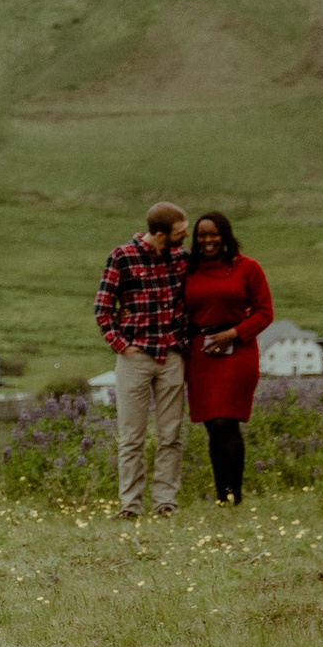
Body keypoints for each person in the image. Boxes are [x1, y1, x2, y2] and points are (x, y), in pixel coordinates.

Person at [93, 203, 191, 519]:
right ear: (160, 233)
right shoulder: (122, 256)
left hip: (171, 355)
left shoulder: (182, 259)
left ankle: (166, 502)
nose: (186, 235)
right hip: (135, 357)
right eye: (180, 232)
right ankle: (131, 505)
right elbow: (103, 307)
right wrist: (122, 345)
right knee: (131, 435)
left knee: (171, 434)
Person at [183, 211, 273, 506]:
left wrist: (233, 333)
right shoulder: (188, 269)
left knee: (226, 422)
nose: (208, 241)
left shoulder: (248, 268)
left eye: (214, 234)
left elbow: (264, 313)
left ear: (225, 235)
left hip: (237, 351)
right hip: (202, 352)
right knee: (212, 424)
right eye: (202, 236)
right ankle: (223, 496)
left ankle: (233, 495)